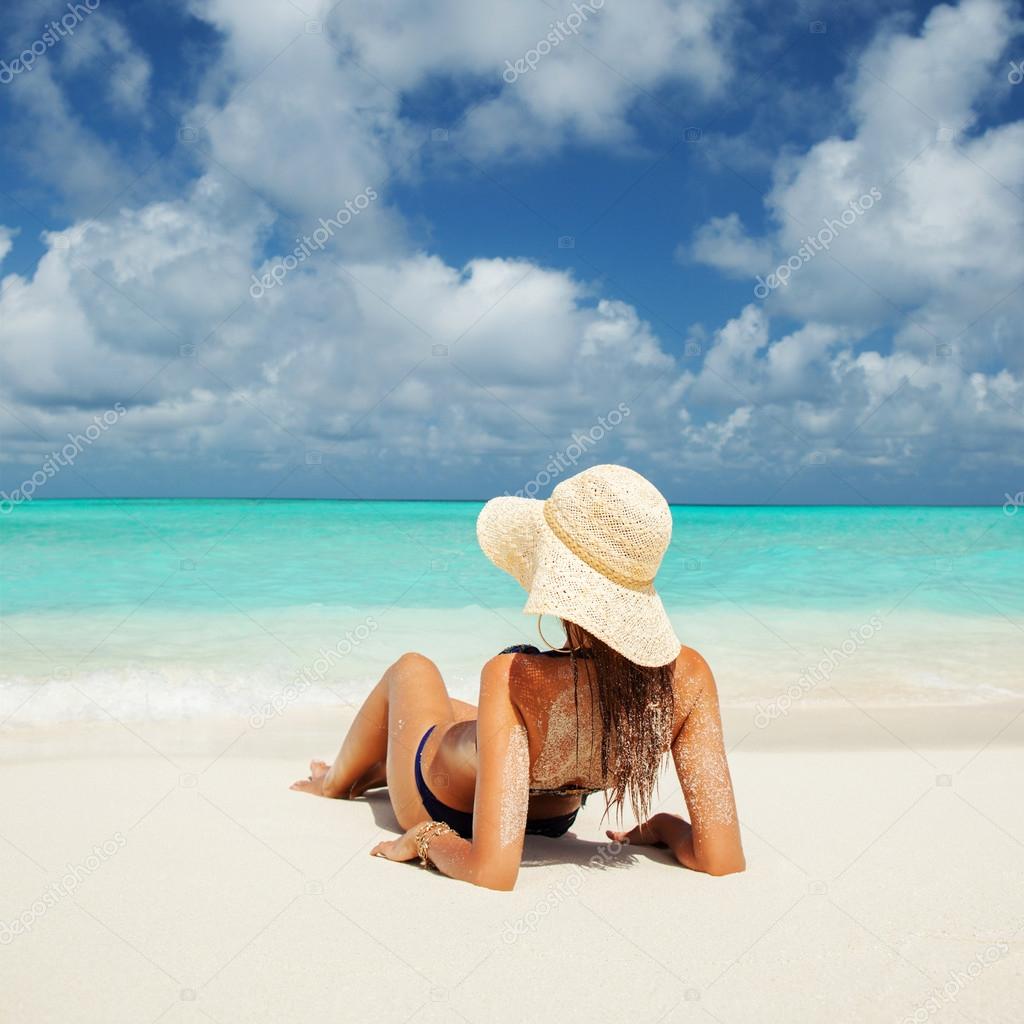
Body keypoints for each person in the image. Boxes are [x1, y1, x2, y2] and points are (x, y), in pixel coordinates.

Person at [291, 464, 745, 890]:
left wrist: (426, 838)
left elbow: (493, 871)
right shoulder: (690, 676)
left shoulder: (514, 676)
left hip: (442, 804)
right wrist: (665, 825)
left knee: (413, 668)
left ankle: (334, 782)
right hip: (551, 817)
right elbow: (721, 859)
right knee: (460, 718)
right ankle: (366, 770)